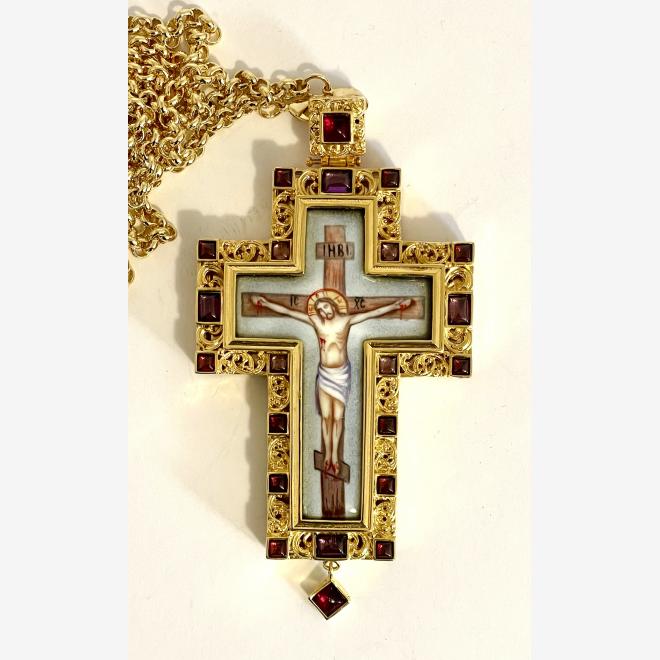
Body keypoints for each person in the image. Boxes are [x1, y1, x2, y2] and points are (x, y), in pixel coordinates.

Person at [251, 289, 412, 476]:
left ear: (333, 306)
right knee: (326, 417)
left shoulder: (346, 321)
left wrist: (395, 305)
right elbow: (289, 312)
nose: (322, 311)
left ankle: (334, 455)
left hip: (341, 375)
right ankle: (327, 454)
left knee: (337, 418)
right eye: (319, 309)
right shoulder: (317, 322)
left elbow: (372, 313)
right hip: (325, 374)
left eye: (325, 307)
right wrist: (265, 303)